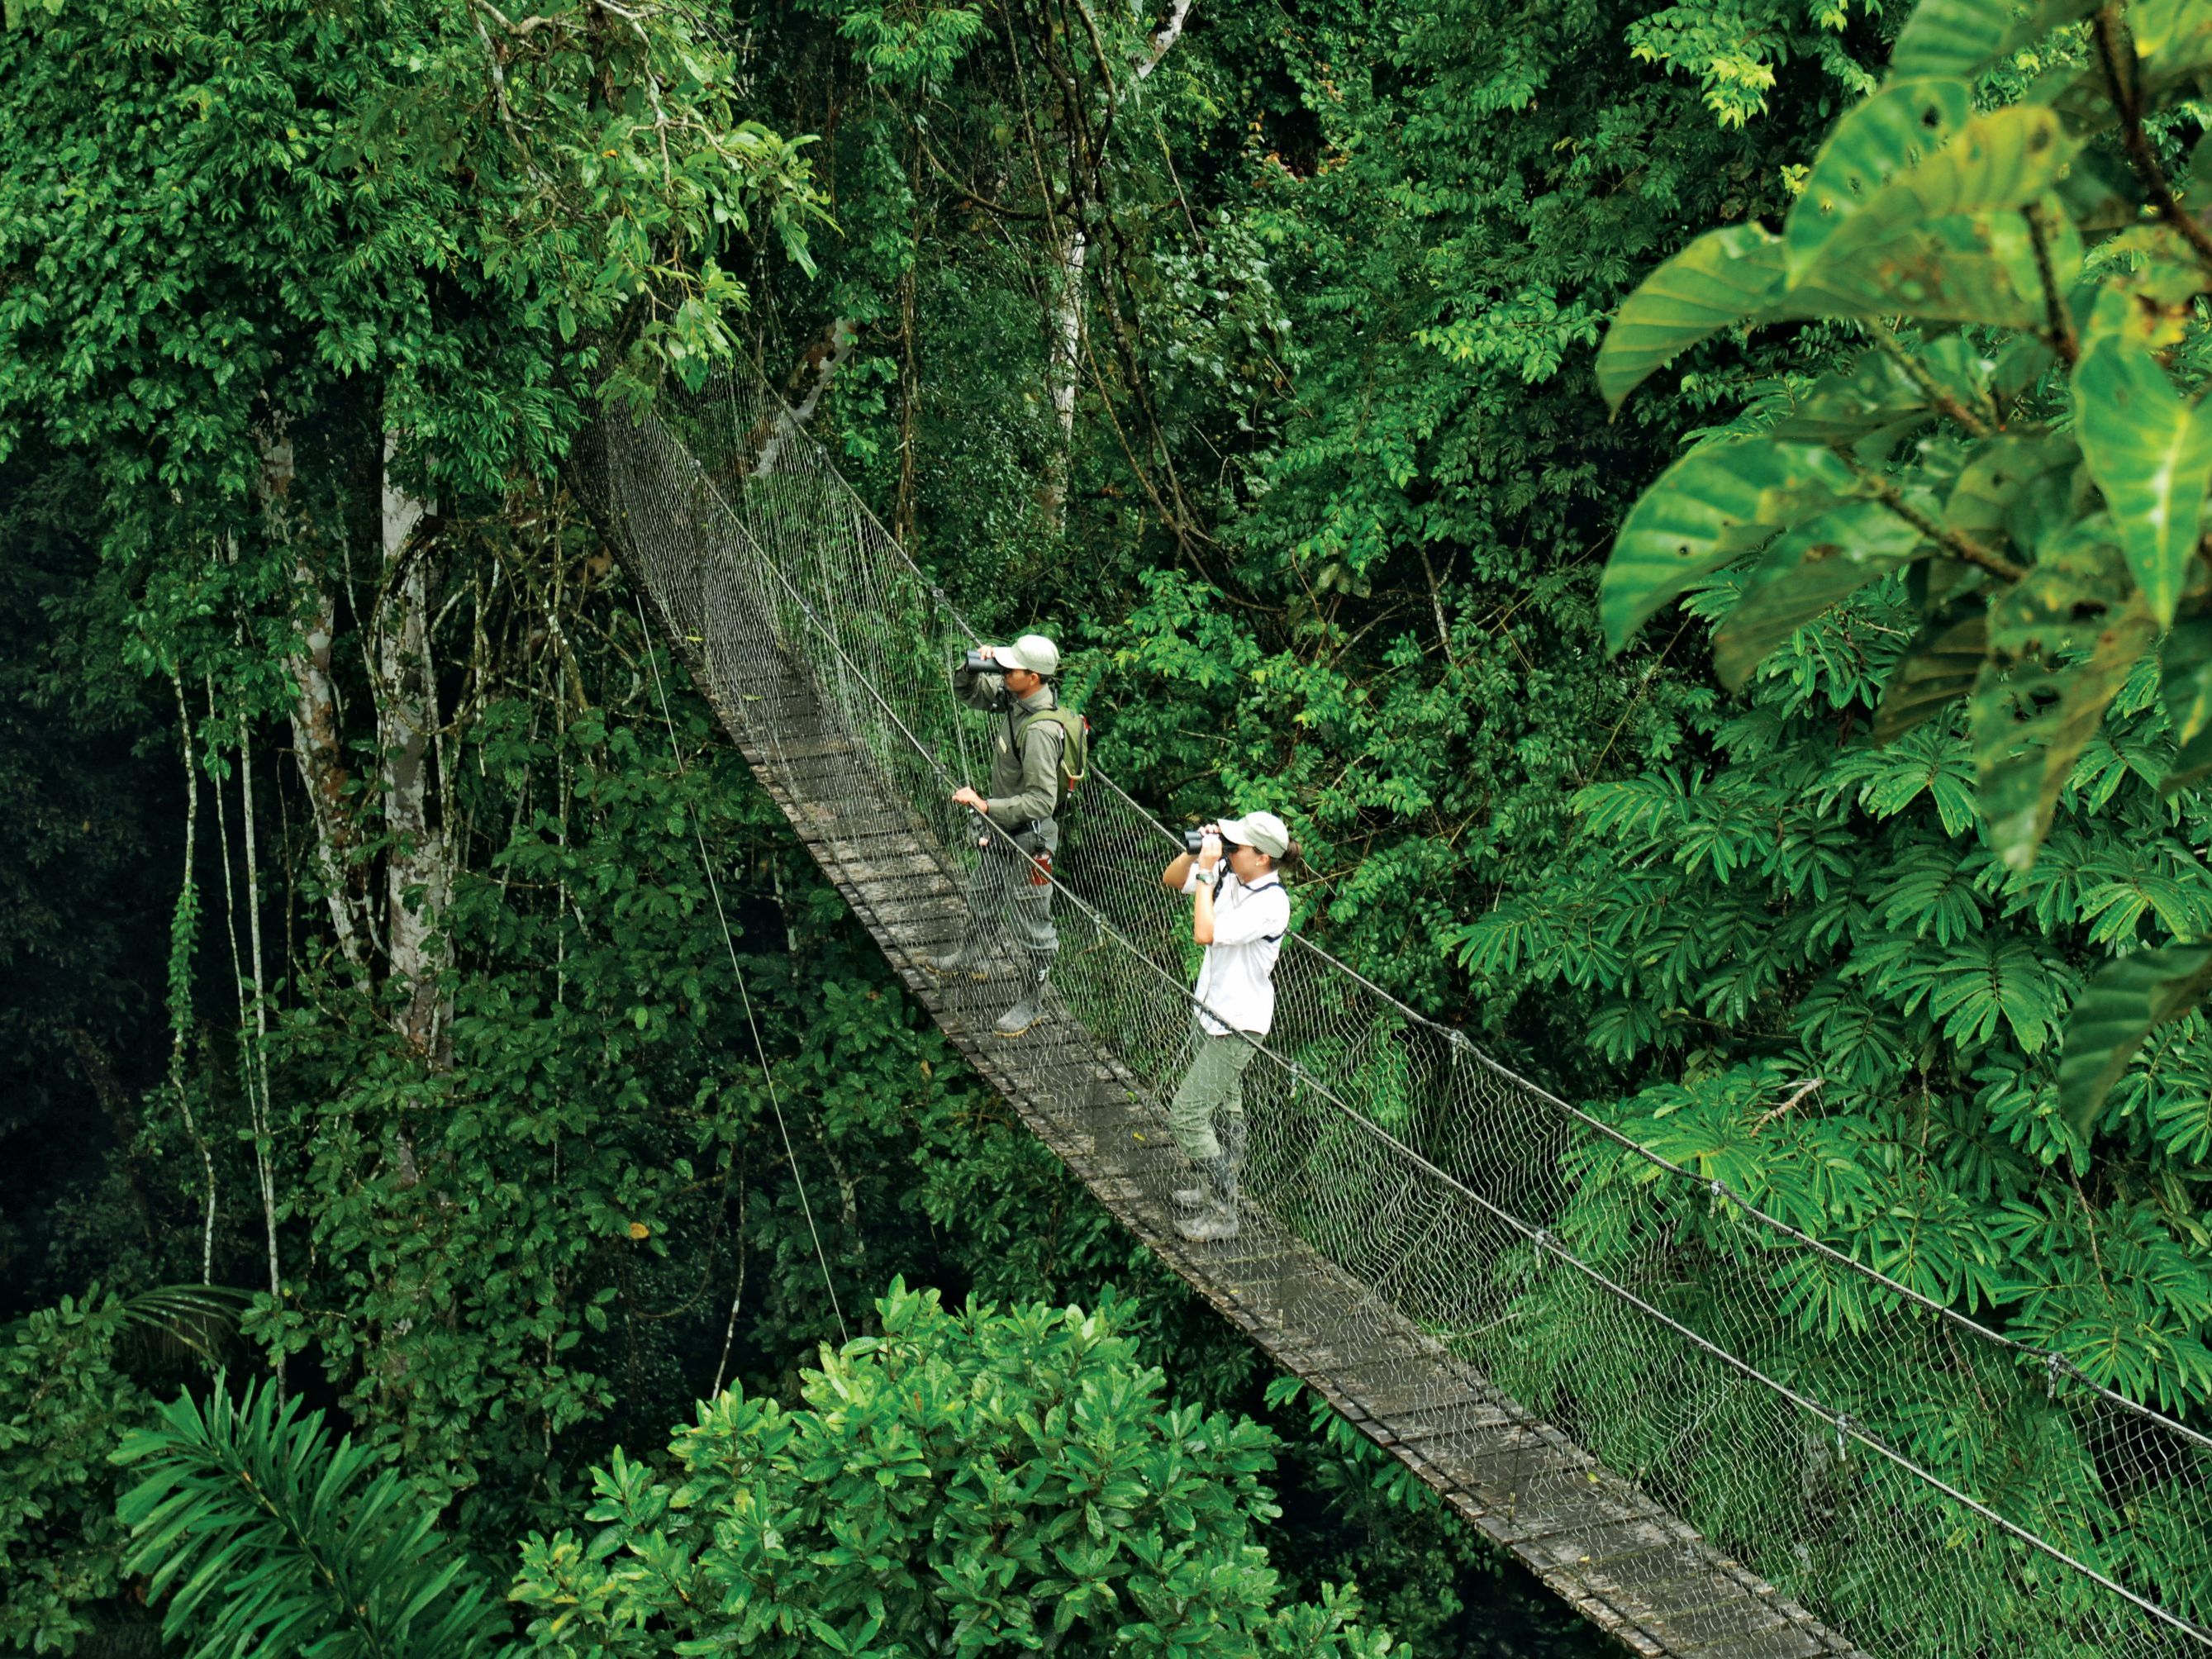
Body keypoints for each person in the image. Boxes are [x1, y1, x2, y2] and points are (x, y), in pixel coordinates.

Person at [935, 634, 1085, 1037]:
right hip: (1003, 830)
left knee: (1032, 925)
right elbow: (968, 693)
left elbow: (1040, 803)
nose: (1003, 672)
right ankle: (971, 958)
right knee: (982, 894)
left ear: (1033, 677)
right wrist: (972, 666)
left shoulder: (1039, 732)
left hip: (1031, 840)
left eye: (1011, 668)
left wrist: (985, 807)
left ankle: (1033, 1001)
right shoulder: (1015, 699)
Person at [1158, 810, 1293, 1243]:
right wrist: (1198, 853)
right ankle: (1210, 1189)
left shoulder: (1271, 904)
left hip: (1237, 1026)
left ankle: (1223, 1208)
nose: (1231, 851)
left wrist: (1207, 876)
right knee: (1224, 1108)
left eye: (1238, 847)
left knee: (1186, 1115)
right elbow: (1169, 878)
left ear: (1263, 857)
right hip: (1211, 1010)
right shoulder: (1234, 875)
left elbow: (1204, 931)